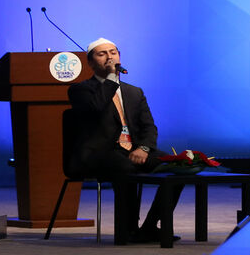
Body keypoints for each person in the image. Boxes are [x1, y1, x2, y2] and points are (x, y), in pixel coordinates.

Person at [66, 38, 183, 244]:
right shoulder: (80, 90)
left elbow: (149, 127)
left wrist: (145, 148)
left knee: (176, 166)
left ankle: (149, 227)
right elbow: (96, 107)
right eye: (102, 54)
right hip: (99, 152)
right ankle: (127, 229)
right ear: (90, 63)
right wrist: (112, 78)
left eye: (113, 52)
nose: (110, 57)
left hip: (133, 149)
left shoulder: (134, 92)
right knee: (124, 166)